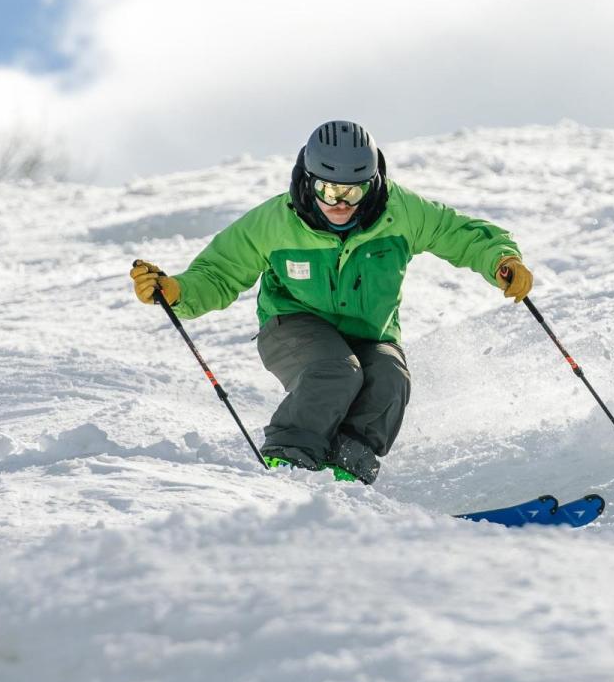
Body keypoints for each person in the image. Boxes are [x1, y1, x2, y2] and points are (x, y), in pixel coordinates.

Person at [130, 120, 533, 485]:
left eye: (353, 191)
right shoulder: (274, 222)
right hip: (292, 325)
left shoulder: (400, 211)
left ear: (373, 183)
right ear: (309, 181)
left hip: (370, 331)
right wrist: (177, 292)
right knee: (336, 371)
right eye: (328, 189)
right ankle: (286, 463)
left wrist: (501, 260)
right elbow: (218, 272)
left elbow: (460, 233)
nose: (341, 202)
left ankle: (345, 475)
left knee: (390, 380)